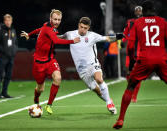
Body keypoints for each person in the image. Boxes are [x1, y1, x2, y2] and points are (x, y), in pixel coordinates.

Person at [113, 1, 167, 129]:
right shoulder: (163, 22)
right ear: (154, 9)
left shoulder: (138, 22)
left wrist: (133, 60)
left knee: (130, 86)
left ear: (143, 11)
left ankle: (120, 120)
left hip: (144, 59)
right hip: (161, 59)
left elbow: (131, 46)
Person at [20, 9, 80, 114]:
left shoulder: (48, 27)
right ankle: (36, 100)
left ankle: (49, 105)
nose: (57, 22)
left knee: (58, 78)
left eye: (59, 20)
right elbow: (56, 40)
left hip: (50, 60)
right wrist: (72, 41)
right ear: (50, 19)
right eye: (55, 19)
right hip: (39, 63)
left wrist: (29, 34)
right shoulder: (49, 29)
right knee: (40, 88)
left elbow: (39, 29)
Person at [61, 17, 124, 114]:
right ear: (78, 25)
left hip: (92, 64)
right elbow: (58, 37)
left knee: (99, 79)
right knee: (98, 91)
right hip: (81, 70)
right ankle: (109, 100)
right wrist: (40, 36)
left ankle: (108, 103)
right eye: (81, 27)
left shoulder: (92, 36)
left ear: (88, 28)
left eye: (85, 28)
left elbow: (106, 38)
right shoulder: (70, 34)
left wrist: (116, 37)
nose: (82, 30)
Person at [0, 14, 18, 98]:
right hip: (3, 57)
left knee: (8, 75)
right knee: (0, 75)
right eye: (6, 20)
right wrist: (3, 51)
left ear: (11, 21)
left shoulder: (13, 31)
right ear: (4, 21)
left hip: (11, 57)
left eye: (9, 20)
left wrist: (14, 50)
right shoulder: (0, 31)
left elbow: (15, 43)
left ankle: (4, 92)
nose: (8, 22)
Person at [123, 6, 143, 103]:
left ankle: (134, 96)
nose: (138, 11)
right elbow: (125, 33)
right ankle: (131, 90)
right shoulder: (130, 21)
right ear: (134, 12)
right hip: (129, 51)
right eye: (136, 10)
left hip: (139, 51)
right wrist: (122, 41)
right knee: (128, 72)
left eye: (140, 10)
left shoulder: (145, 21)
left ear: (142, 12)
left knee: (137, 74)